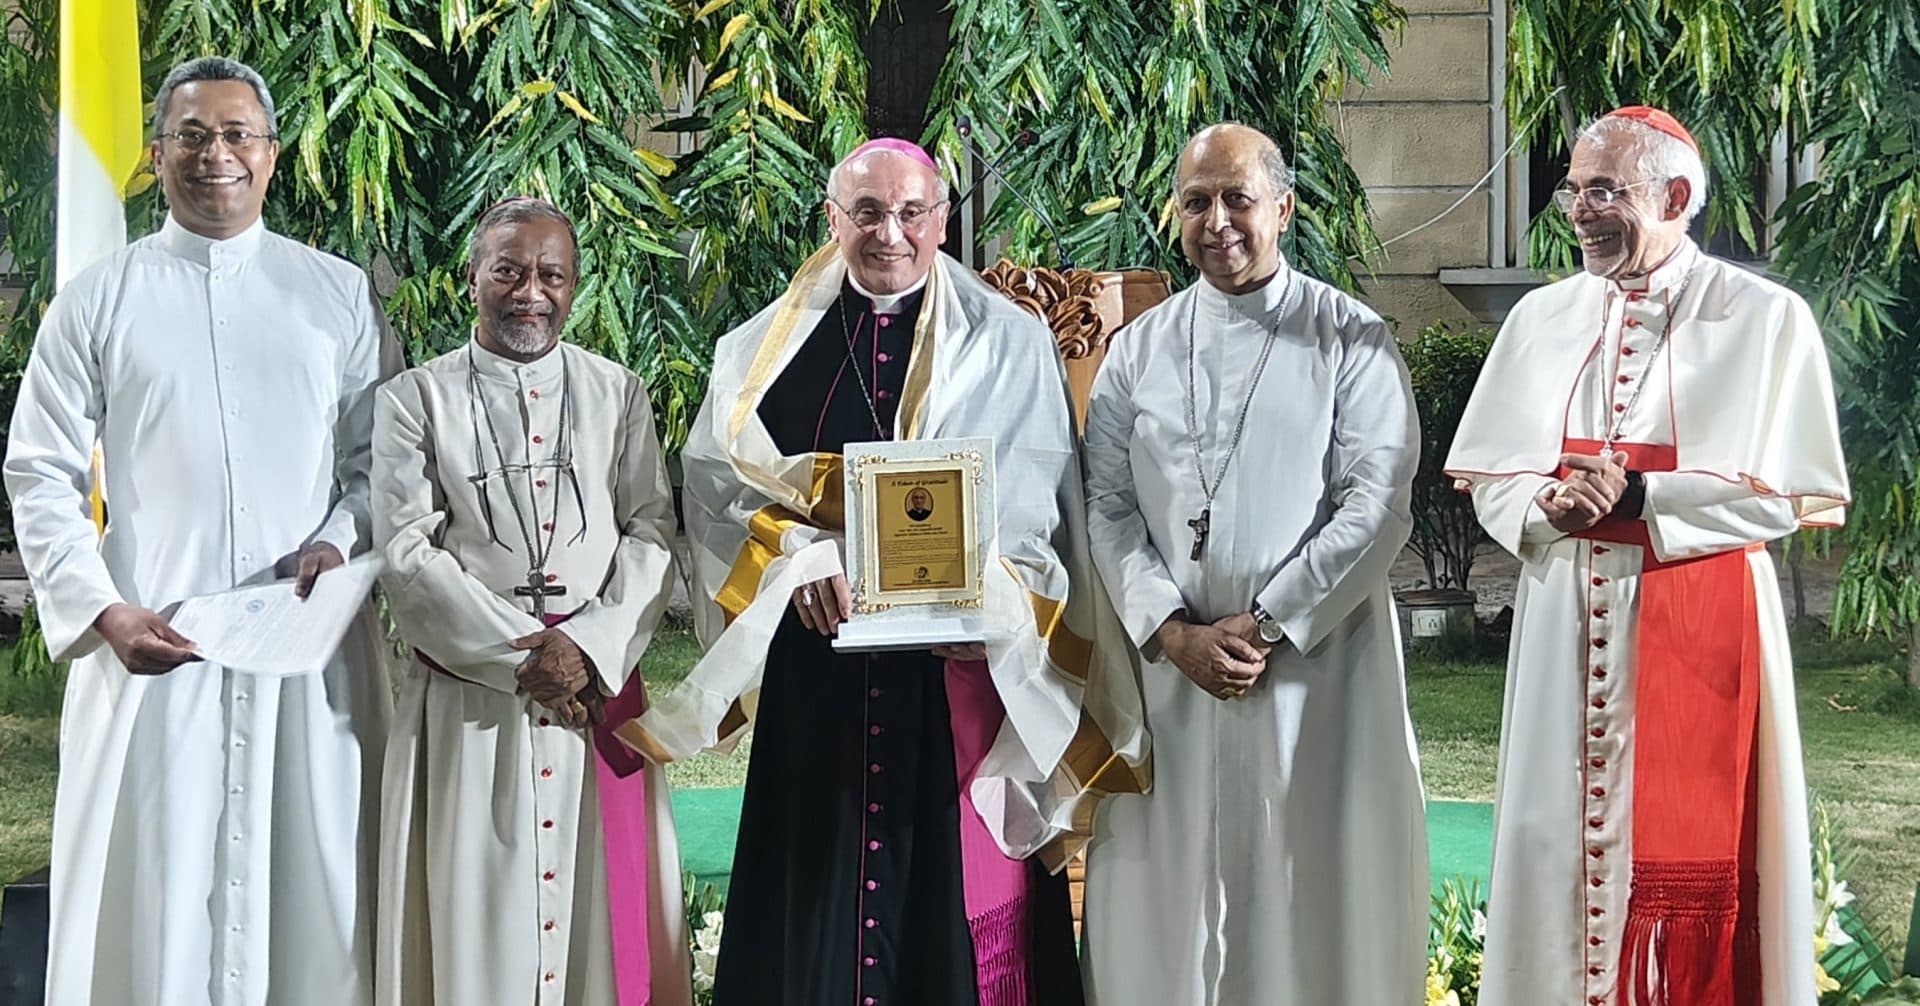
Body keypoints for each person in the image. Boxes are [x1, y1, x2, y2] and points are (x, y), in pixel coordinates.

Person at [631, 138, 1147, 1006]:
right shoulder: (762, 352)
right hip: (819, 665)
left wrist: (991, 602)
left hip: (958, 673)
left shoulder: (1007, 343)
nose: (890, 234)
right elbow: (721, 494)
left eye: (912, 212)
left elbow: (1045, 506)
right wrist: (795, 556)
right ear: (833, 219)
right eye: (867, 212)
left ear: (943, 220)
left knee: (956, 898)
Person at [3, 56, 396, 1005]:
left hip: (308, 651)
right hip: (154, 645)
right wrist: (102, 612)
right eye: (191, 135)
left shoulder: (338, 293)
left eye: (236, 135)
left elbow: (378, 460)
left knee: (321, 894)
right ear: (156, 154)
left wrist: (341, 538)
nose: (214, 155)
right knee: (158, 900)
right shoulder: (96, 300)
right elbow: (40, 470)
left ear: (270, 156)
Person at [1444, 106, 1850, 1006]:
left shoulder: (1767, 319)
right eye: (1574, 191)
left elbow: (1786, 494)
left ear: (1674, 196)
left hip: (1700, 621)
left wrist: (1643, 498)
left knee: (1704, 856)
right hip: (1563, 615)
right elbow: (1489, 479)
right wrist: (1543, 502)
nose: (1582, 211)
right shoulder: (1543, 319)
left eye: (1604, 192)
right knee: (1557, 835)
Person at [1077, 123, 1429, 1006]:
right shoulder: (1139, 350)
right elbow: (1106, 503)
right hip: (1171, 675)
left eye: (1239, 198)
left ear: (1283, 205)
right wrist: (1169, 629)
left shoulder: (1350, 338)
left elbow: (1377, 502)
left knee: (1308, 872)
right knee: (1167, 888)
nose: (1218, 221)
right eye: (1197, 201)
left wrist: (1264, 626)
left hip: (1313, 665)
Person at [370, 197, 690, 1005]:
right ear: (472, 277)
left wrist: (585, 648)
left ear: (575, 285)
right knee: (474, 912)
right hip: (473, 696)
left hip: (594, 689)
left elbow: (652, 529)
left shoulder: (617, 391)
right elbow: (405, 551)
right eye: (508, 270)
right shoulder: (414, 400)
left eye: (551, 273)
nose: (529, 291)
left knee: (601, 925)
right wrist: (528, 654)